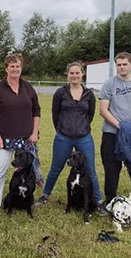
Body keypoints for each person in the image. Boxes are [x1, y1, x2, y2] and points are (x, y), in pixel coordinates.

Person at [36, 62, 107, 213]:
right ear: (67, 75)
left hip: (84, 137)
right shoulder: (60, 93)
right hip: (63, 137)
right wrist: (62, 129)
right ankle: (45, 195)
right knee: (56, 167)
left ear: (82, 74)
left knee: (91, 169)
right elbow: (55, 114)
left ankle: (98, 201)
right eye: (71, 73)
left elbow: (90, 115)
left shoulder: (89, 94)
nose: (74, 76)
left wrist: (81, 128)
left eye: (77, 73)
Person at [0, 53, 42, 218]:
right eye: (12, 66)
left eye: (18, 66)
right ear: (6, 68)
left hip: (26, 139)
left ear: (21, 68)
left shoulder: (28, 88)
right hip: (4, 138)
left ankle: (26, 199)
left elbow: (36, 111)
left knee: (30, 171)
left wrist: (34, 132)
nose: (15, 69)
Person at [99, 52, 131, 213]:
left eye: (124, 64)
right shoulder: (109, 84)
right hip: (112, 133)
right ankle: (110, 199)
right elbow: (103, 109)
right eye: (119, 65)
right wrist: (120, 126)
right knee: (111, 168)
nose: (122, 67)